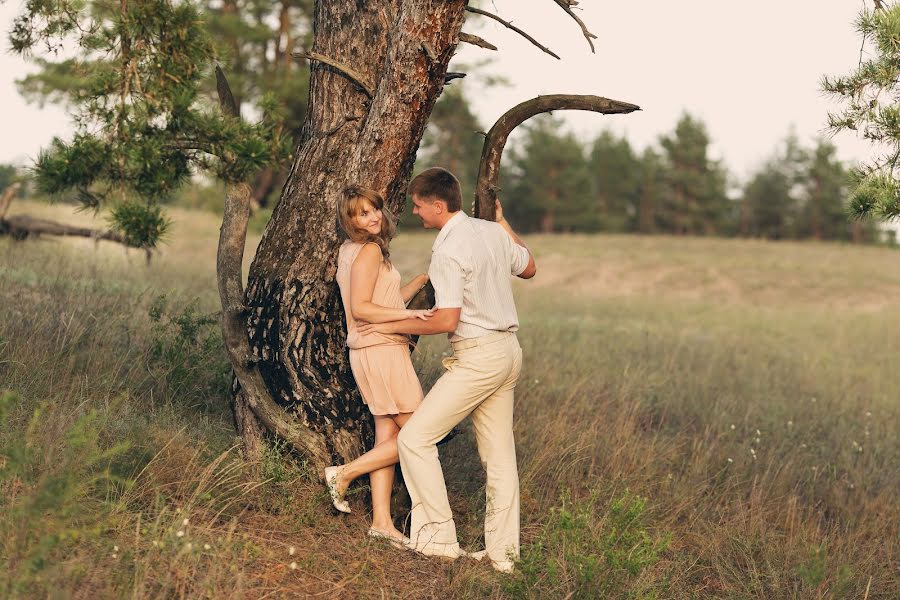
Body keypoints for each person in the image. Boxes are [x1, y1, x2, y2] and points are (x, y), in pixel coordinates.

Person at [358, 167, 536, 572]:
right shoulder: (492, 231)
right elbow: (529, 267)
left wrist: (387, 321)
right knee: (500, 458)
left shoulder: (448, 247)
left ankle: (438, 539)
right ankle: (503, 556)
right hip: (508, 352)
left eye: (419, 207)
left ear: (438, 206)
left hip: (479, 357)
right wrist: (502, 219)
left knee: (415, 439)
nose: (417, 215)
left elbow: (445, 320)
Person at [327, 185, 432, 547]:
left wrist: (417, 283)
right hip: (381, 350)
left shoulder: (352, 249)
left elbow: (381, 301)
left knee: (386, 435)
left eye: (373, 210)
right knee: (423, 431)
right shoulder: (369, 250)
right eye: (360, 213)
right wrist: (412, 316)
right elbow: (362, 309)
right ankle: (343, 474)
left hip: (374, 349)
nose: (371, 217)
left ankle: (382, 523)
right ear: (349, 219)